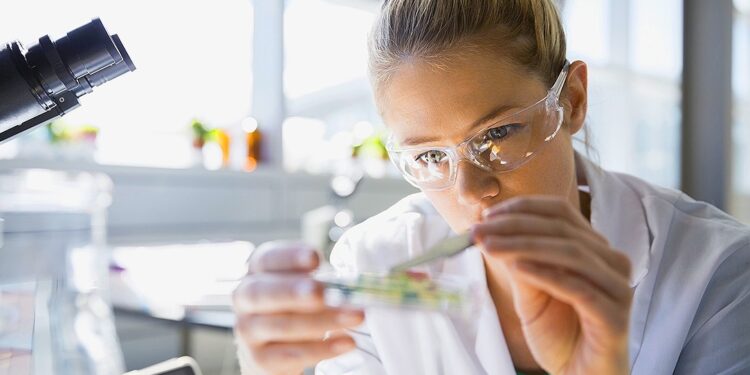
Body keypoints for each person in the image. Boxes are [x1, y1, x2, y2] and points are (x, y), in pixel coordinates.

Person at [232, 0, 750, 374]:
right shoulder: (374, 264)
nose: (471, 191)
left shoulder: (716, 272)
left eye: (498, 133)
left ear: (571, 101)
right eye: (431, 155)